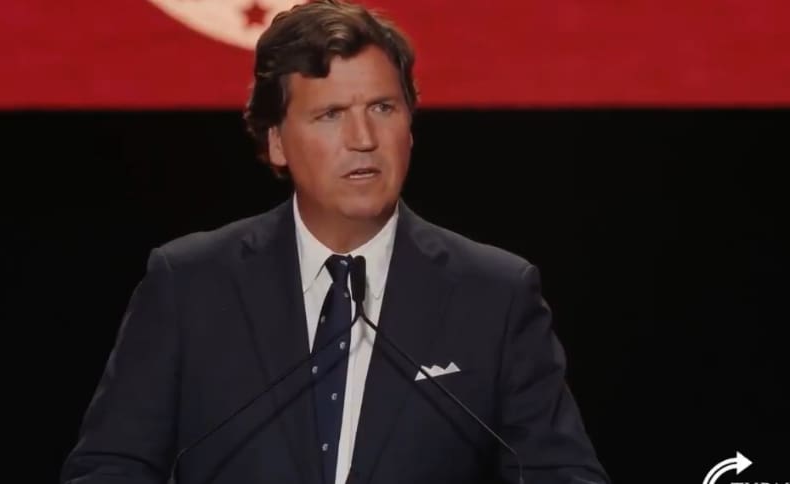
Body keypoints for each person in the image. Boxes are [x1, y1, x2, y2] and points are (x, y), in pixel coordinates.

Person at [60, 1, 610, 483]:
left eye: (382, 108)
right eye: (331, 115)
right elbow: (110, 469)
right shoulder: (190, 284)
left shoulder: (494, 294)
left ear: (410, 127)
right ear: (277, 142)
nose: (363, 139)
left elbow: (562, 474)